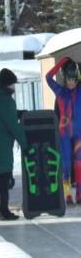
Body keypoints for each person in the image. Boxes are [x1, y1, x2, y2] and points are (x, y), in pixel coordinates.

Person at [0, 68, 27, 220]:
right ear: (7, 84)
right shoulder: (6, 100)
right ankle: (2, 211)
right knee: (2, 178)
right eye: (13, 84)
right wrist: (25, 145)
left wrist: (17, 113)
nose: (14, 87)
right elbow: (13, 126)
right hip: (1, 145)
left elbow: (0, 115)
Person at [46, 57, 81, 204]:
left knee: (79, 163)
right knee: (66, 163)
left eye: (73, 78)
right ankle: (67, 193)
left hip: (79, 133)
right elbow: (48, 76)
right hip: (65, 134)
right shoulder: (59, 91)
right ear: (64, 78)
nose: (71, 82)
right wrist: (61, 62)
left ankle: (79, 193)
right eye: (68, 79)